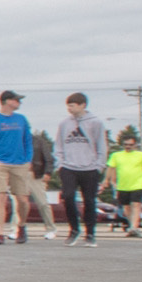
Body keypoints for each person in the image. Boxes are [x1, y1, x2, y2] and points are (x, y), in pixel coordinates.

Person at [0, 92, 39, 244]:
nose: (19, 102)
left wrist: (28, 159)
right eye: (16, 100)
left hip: (19, 163)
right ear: (7, 101)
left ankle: (22, 225)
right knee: (0, 197)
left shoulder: (21, 119)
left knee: (23, 200)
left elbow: (27, 140)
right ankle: (0, 233)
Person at [52, 93, 107, 246]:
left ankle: (90, 233)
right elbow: (59, 145)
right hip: (69, 167)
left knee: (89, 201)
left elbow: (101, 145)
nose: (69, 108)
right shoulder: (64, 124)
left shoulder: (95, 123)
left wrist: (99, 165)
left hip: (90, 168)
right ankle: (74, 229)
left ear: (82, 105)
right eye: (68, 105)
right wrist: (60, 164)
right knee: (68, 197)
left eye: (72, 105)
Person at [107, 128, 142, 237]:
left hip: (138, 184)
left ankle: (133, 227)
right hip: (122, 186)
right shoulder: (116, 155)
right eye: (125, 144)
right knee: (126, 207)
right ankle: (132, 226)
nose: (128, 146)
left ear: (135, 145)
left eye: (130, 144)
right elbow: (110, 168)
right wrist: (107, 180)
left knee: (136, 205)